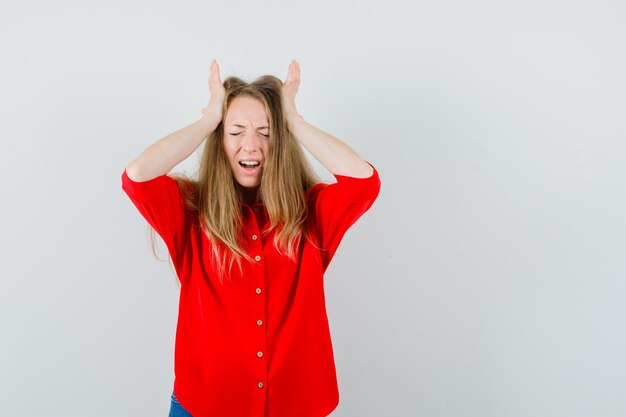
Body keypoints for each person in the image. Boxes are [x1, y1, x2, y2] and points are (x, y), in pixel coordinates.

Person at [121, 59, 381, 417]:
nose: (250, 144)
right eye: (236, 131)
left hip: (296, 406)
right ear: (219, 140)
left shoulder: (312, 212)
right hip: (204, 405)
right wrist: (207, 120)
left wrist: (294, 121)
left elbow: (363, 182)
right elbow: (137, 176)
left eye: (265, 131)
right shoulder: (190, 210)